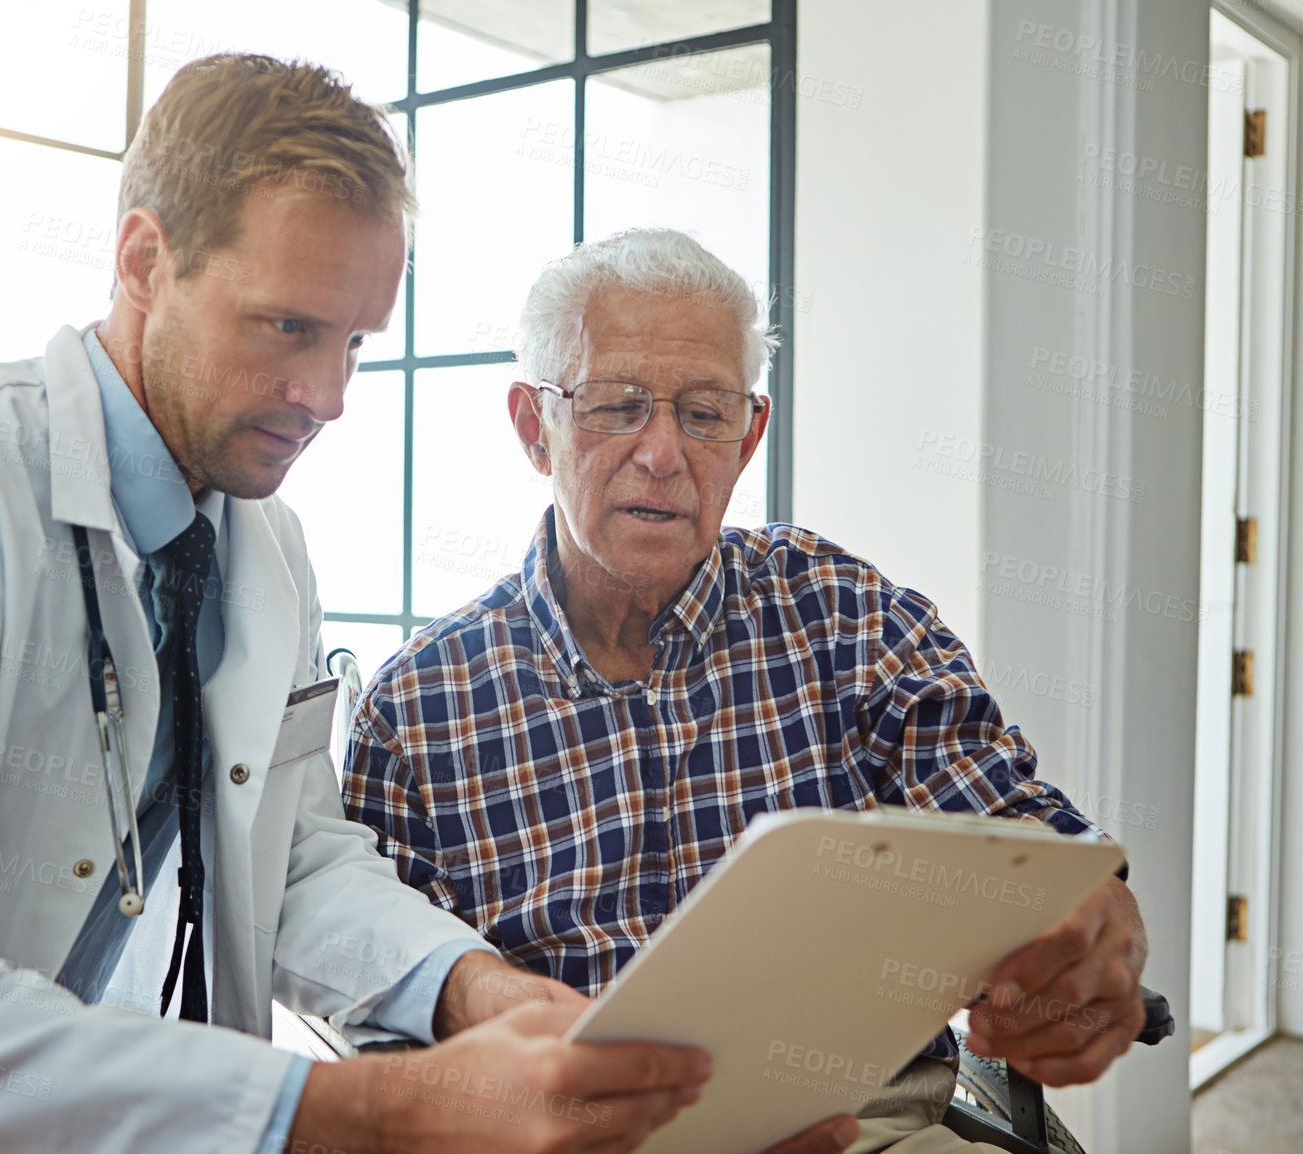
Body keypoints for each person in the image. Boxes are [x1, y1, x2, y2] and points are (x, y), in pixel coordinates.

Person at [0, 59, 869, 1154]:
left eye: (354, 338)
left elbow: (291, 858)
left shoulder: (262, 545)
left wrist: (476, 988)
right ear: (143, 261)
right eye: (287, 327)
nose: (329, 394)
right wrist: (380, 1109)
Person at [344, 228, 1152, 1153]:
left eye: (703, 413)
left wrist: (1095, 928)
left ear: (749, 434)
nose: (662, 453)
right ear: (537, 428)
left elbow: (1022, 836)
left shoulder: (840, 614)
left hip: (859, 1125)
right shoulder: (420, 707)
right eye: (617, 407)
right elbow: (389, 1019)